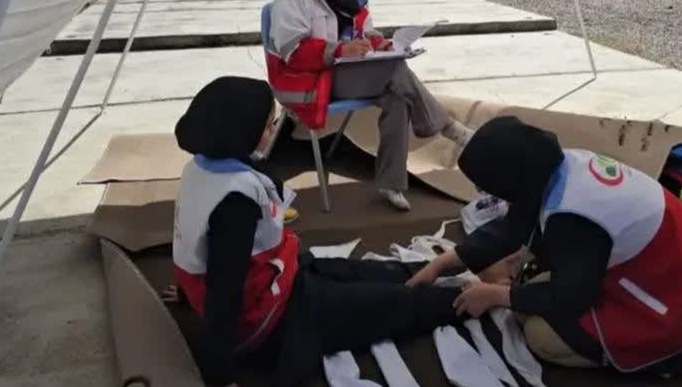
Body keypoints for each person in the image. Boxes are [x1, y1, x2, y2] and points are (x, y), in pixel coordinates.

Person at [171, 76, 466, 386]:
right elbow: (225, 292)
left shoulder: (200, 167)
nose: (273, 131)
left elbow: (196, 245)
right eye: (269, 126)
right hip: (276, 317)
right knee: (396, 304)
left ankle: (460, 265)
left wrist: (188, 291)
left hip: (284, 276)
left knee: (378, 272)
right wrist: (219, 377)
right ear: (241, 132)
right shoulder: (235, 202)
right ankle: (474, 298)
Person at [408, 116, 682, 378]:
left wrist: (494, 295)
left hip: (675, 316)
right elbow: (512, 227)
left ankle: (658, 360)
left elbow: (570, 297)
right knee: (527, 290)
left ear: (510, 179)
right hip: (678, 275)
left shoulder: (573, 218)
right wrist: (442, 263)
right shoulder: (558, 166)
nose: (487, 194)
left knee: (539, 335)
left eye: (489, 187)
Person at [266, 0, 472, 211]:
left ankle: (391, 183)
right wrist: (340, 50)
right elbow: (293, 54)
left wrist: (380, 44)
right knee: (395, 71)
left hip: (342, 71)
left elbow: (364, 30)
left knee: (397, 96)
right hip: (306, 80)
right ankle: (448, 127)